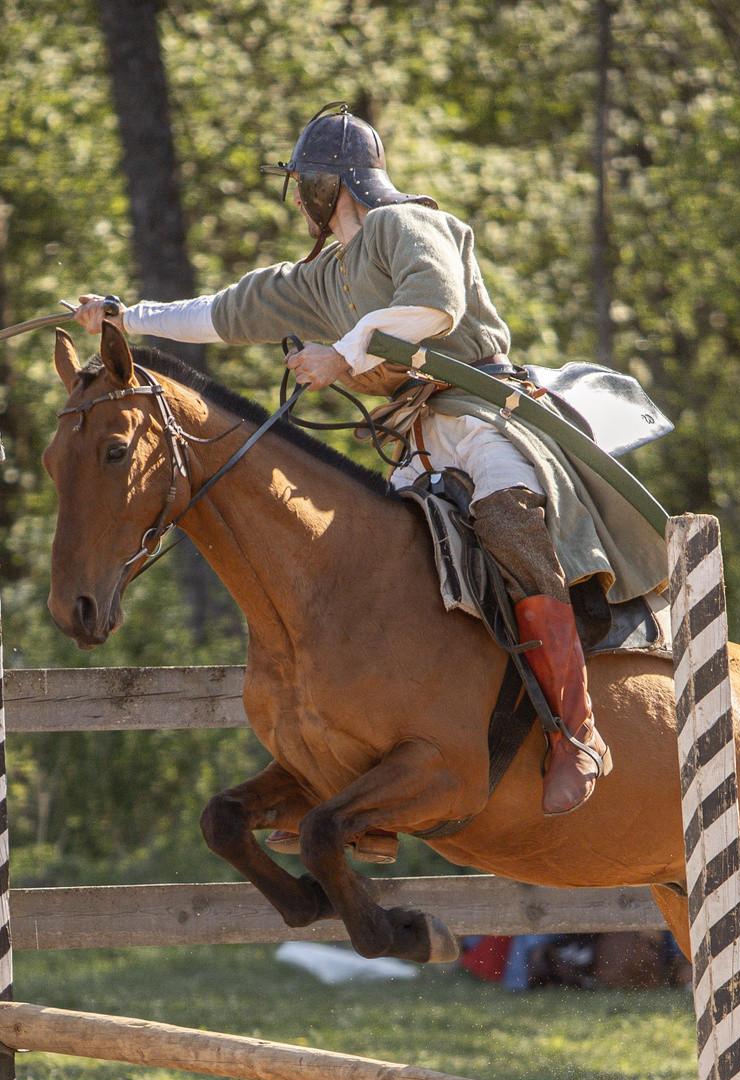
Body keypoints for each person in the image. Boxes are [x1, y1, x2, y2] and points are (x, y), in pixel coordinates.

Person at [73, 103, 662, 816]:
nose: (298, 198)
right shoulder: (318, 279)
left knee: (509, 526)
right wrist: (124, 317)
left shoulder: (405, 225)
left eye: (305, 183)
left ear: (336, 182)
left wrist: (342, 353)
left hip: (484, 420)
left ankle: (576, 732)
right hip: (415, 441)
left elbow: (435, 309)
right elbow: (220, 313)